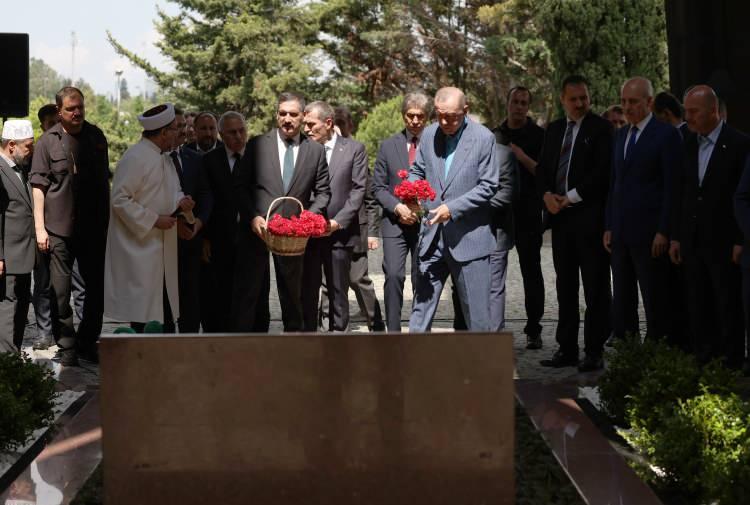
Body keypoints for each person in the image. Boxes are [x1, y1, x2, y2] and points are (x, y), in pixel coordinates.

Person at [235, 92, 331, 331]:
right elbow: (240, 187)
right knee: (250, 295)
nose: (287, 119)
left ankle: (293, 346)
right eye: (282, 113)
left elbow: (323, 193)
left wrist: (305, 219)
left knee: (292, 298)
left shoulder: (315, 151)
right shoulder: (257, 145)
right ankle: (245, 347)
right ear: (276, 114)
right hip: (257, 232)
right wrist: (252, 217)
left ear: (303, 116)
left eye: (293, 114)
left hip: (293, 237)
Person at [30, 87, 110, 365]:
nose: (77, 112)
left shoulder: (96, 136)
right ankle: (66, 346)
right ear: (59, 111)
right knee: (60, 292)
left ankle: (88, 342)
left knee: (96, 290)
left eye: (80, 107)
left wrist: (107, 224)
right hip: (58, 229)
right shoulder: (46, 142)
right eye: (70, 108)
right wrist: (40, 228)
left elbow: (103, 183)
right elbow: (38, 187)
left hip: (93, 229)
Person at [408, 87, 499, 331]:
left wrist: (452, 208)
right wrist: (411, 192)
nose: (445, 122)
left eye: (452, 117)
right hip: (431, 237)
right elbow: (417, 171)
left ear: (465, 111)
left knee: (477, 319)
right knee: (419, 312)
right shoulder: (429, 134)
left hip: (469, 239)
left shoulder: (483, 138)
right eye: (440, 115)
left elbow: (489, 185)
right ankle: (410, 354)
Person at [538, 75, 612, 372]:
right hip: (561, 222)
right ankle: (566, 348)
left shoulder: (602, 129)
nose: (580, 104)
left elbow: (602, 173)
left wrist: (570, 197)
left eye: (584, 98)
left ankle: (594, 351)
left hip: (590, 220)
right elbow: (543, 169)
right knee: (565, 287)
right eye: (574, 99)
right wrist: (546, 195)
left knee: (595, 288)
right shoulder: (555, 129)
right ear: (562, 100)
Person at [672, 85, 750, 366]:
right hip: (693, 238)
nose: (688, 117)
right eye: (686, 111)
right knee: (698, 301)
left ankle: (731, 359)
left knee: (727, 302)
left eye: (694, 112)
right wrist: (677, 236)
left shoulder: (739, 144)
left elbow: (743, 196)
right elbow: (683, 192)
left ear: (713, 111)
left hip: (725, 239)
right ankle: (704, 356)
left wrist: (741, 239)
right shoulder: (686, 142)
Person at [103, 103, 194, 332]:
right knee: (144, 315)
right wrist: (154, 219)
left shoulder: (163, 157)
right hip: (142, 249)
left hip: (162, 247)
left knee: (165, 312)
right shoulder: (135, 157)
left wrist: (181, 202)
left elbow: (171, 191)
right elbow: (120, 199)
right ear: (163, 133)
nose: (179, 133)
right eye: (174, 129)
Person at [606, 77, 682, 346]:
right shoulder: (620, 135)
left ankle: (658, 350)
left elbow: (673, 188)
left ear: (649, 102)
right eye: (624, 101)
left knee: (655, 298)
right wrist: (609, 225)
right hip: (621, 233)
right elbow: (614, 184)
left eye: (633, 102)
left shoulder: (666, 135)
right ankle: (628, 347)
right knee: (623, 297)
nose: (627, 107)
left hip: (651, 235)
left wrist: (664, 230)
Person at [301, 101, 367, 332]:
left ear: (328, 123)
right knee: (307, 292)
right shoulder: (302, 150)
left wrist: (337, 222)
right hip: (308, 235)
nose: (306, 129)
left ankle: (339, 340)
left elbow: (358, 190)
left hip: (340, 234)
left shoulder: (354, 149)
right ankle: (309, 338)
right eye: (305, 124)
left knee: (338, 294)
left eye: (311, 124)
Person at [202, 111, 269, 332]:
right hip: (221, 241)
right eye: (232, 132)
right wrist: (205, 238)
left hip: (255, 239)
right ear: (221, 135)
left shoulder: (260, 158)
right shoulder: (210, 161)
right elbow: (206, 201)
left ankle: (257, 342)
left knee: (257, 298)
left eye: (242, 131)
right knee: (223, 297)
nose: (239, 136)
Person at [322, 105, 385, 332]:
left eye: (342, 125)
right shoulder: (319, 151)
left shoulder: (354, 152)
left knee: (358, 279)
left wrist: (373, 232)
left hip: (355, 230)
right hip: (327, 230)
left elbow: (368, 196)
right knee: (327, 284)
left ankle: (375, 323)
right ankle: (329, 325)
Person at [492, 85, 546, 348]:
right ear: (508, 103)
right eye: (515, 101)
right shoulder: (494, 136)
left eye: (524, 103)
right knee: (494, 274)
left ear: (528, 106)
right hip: (500, 214)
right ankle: (493, 328)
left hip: (529, 213)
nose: (519, 107)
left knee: (531, 272)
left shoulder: (539, 136)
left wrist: (521, 157)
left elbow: (544, 174)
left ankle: (534, 329)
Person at [372, 92, 430, 331]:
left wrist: (422, 209)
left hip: (425, 223)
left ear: (427, 117)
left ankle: (420, 331)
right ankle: (393, 332)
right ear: (403, 115)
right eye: (410, 115)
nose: (415, 121)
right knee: (394, 275)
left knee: (421, 277)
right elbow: (378, 187)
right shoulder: (388, 146)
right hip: (394, 223)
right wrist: (397, 207)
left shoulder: (434, 145)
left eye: (420, 116)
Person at [169, 108, 213, 333]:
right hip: (162, 242)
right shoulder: (155, 160)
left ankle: (189, 345)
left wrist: (199, 223)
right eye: (177, 127)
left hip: (191, 242)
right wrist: (173, 223)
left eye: (184, 126)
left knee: (190, 302)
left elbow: (205, 194)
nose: (183, 131)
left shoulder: (194, 158)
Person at [0, 120, 36, 353]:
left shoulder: (21, 168)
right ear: (12, 145)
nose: (31, 151)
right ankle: (7, 360)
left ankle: (14, 357)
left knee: (21, 304)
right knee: (7, 306)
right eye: (28, 146)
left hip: (24, 253)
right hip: (8, 254)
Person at [30, 104, 59, 350]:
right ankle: (44, 332)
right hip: (41, 228)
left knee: (72, 285)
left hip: (65, 227)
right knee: (42, 283)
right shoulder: (36, 151)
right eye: (50, 124)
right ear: (42, 126)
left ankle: (71, 333)